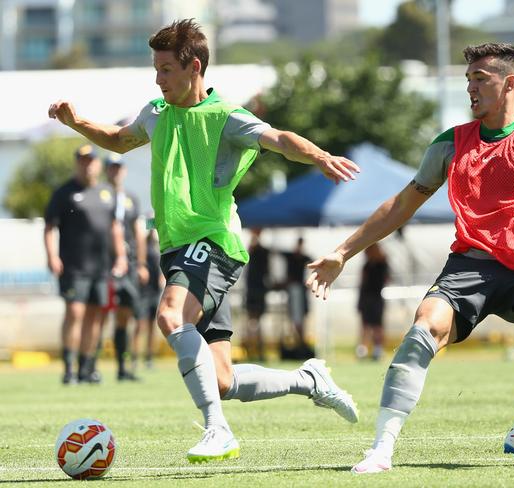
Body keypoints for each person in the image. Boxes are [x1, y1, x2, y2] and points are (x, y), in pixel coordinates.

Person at [306, 42, 514, 473]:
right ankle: (382, 448)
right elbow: (402, 204)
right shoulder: (449, 144)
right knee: (421, 329)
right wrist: (342, 252)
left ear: (511, 83)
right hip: (470, 267)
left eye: (480, 78)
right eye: (467, 78)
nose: (470, 87)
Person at [48, 19, 360, 463]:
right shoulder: (156, 112)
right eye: (155, 70)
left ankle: (218, 429)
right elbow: (119, 141)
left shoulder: (226, 117)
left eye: (166, 70)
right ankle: (309, 380)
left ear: (194, 67)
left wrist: (319, 155)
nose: (158, 79)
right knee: (222, 380)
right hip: (177, 248)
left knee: (171, 317)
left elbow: (278, 139)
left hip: (213, 241)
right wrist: (76, 121)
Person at [44, 144, 127, 384]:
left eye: (91, 160)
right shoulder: (64, 192)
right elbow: (50, 227)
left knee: (96, 316)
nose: (87, 164)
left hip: (101, 267)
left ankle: (87, 366)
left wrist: (120, 256)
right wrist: (52, 256)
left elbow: (115, 228)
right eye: (82, 160)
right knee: (75, 312)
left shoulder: (106, 192)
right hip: (73, 266)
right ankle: (69, 367)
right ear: (76, 163)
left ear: (98, 164)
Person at [101, 153, 149, 381]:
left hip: (128, 264)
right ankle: (88, 365)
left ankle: (123, 367)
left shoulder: (130, 198)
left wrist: (141, 264)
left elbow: (138, 231)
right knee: (99, 313)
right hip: (103, 263)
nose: (115, 171)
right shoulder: (100, 195)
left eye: (119, 167)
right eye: (111, 167)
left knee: (126, 314)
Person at [132, 228, 165, 370]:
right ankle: (133, 357)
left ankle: (149, 357)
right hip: (143, 292)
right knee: (140, 324)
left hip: (155, 291)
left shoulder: (159, 247)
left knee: (152, 325)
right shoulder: (142, 249)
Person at [355, 243, 389, 361]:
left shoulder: (382, 264)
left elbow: (385, 280)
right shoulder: (367, 266)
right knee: (365, 325)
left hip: (376, 298)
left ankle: (378, 349)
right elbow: (362, 284)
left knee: (377, 326)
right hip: (366, 298)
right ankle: (363, 349)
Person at [242, 228, 271, 361]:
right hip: (254, 290)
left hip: (256, 290)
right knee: (253, 322)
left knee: (254, 322)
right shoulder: (254, 250)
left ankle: (256, 350)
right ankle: (253, 349)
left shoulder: (258, 251)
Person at [280, 237, 312, 351]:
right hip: (294, 290)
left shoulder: (304, 258)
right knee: (295, 317)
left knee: (299, 318)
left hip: (299, 290)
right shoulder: (291, 256)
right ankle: (298, 342)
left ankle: (301, 342)